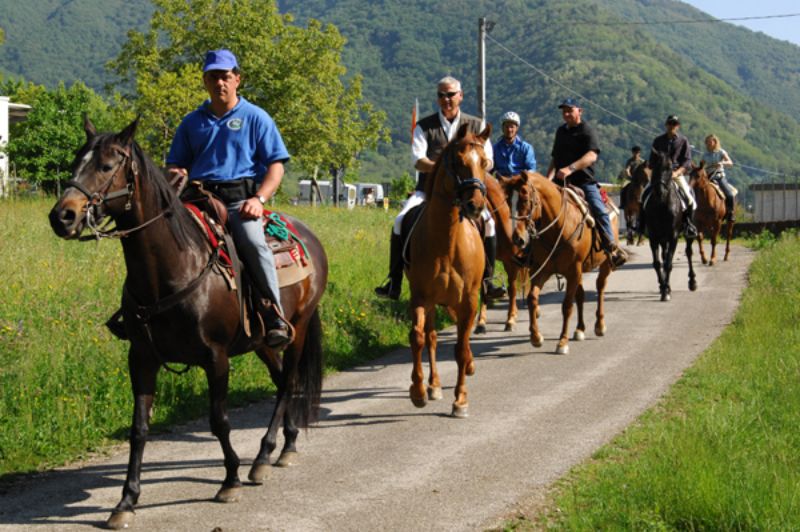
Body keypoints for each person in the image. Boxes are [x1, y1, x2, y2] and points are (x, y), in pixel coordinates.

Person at [166, 49, 291, 350]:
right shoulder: (191, 122)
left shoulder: (256, 117)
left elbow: (276, 164)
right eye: (212, 77)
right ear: (205, 81)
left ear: (237, 79)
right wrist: (177, 174)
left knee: (253, 242)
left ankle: (275, 315)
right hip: (197, 200)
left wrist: (259, 198)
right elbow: (175, 164)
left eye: (225, 76)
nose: (219, 82)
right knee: (161, 239)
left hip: (240, 202)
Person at [374, 76, 496, 299]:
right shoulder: (424, 126)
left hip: (465, 192)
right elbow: (418, 160)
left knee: (489, 224)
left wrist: (474, 166)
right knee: (400, 221)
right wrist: (442, 170)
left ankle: (489, 280)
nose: (446, 99)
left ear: (460, 96)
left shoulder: (477, 125)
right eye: (441, 95)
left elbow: (489, 160)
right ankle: (394, 280)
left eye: (450, 94)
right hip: (428, 191)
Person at [546, 97, 627, 268]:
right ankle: (532, 251)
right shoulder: (561, 131)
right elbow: (555, 158)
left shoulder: (587, 131)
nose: (566, 114)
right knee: (540, 209)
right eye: (564, 111)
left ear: (579, 111)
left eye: (570, 110)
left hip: (583, 181)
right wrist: (548, 179)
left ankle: (611, 248)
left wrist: (571, 168)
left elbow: (592, 156)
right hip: (560, 182)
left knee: (599, 210)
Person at [647, 115, 697, 237]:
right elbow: (652, 160)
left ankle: (688, 224)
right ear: (666, 125)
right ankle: (641, 224)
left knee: (690, 200)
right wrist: (656, 170)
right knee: (644, 195)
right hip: (660, 175)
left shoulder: (683, 140)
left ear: (678, 126)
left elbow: (687, 161)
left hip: (676, 174)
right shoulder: (657, 140)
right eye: (670, 123)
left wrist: (677, 172)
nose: (672, 126)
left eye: (674, 124)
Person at [700, 134, 735, 221]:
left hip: (719, 176)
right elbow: (701, 167)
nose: (708, 144)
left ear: (715, 142)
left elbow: (730, 162)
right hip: (708, 177)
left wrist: (722, 163)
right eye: (706, 142)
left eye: (710, 142)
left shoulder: (721, 152)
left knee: (730, 195)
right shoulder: (705, 155)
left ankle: (730, 213)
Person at [493, 111, 536, 177]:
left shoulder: (526, 148)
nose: (509, 130)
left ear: (517, 128)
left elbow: (531, 169)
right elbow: (490, 169)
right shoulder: (495, 148)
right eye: (506, 126)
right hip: (501, 182)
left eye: (512, 127)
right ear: (502, 127)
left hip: (520, 182)